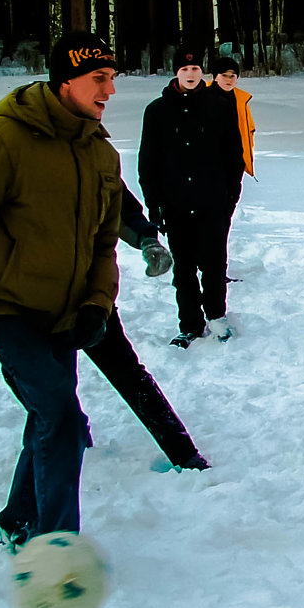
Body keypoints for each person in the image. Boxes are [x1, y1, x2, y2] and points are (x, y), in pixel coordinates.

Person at [0, 30, 122, 551]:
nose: (109, 91)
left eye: (112, 79)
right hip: (6, 306)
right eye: (98, 79)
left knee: (53, 416)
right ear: (65, 83)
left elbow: (104, 245)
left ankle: (16, 519)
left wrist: (98, 305)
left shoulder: (101, 155)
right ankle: (56, 548)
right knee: (59, 414)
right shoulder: (5, 138)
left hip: (66, 311)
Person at [85, 183, 210, 470]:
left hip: (89, 291)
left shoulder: (93, 149)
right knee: (50, 406)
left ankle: (185, 456)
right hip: (22, 303)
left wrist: (146, 239)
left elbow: (121, 207)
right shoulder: (3, 147)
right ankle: (21, 512)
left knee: (128, 373)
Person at [138, 44, 245, 348]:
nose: (190, 74)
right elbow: (148, 161)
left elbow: (233, 157)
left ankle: (217, 316)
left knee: (213, 265)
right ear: (176, 73)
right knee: (183, 268)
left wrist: (229, 197)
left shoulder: (220, 107)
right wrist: (154, 204)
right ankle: (190, 325)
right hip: (176, 204)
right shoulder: (157, 111)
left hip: (213, 203)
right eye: (184, 69)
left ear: (202, 72)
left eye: (195, 69)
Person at [207, 56, 256, 183]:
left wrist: (242, 160)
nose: (229, 80)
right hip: (208, 162)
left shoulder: (241, 100)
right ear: (215, 76)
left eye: (232, 76)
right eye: (224, 75)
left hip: (234, 161)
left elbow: (248, 132)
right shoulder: (203, 97)